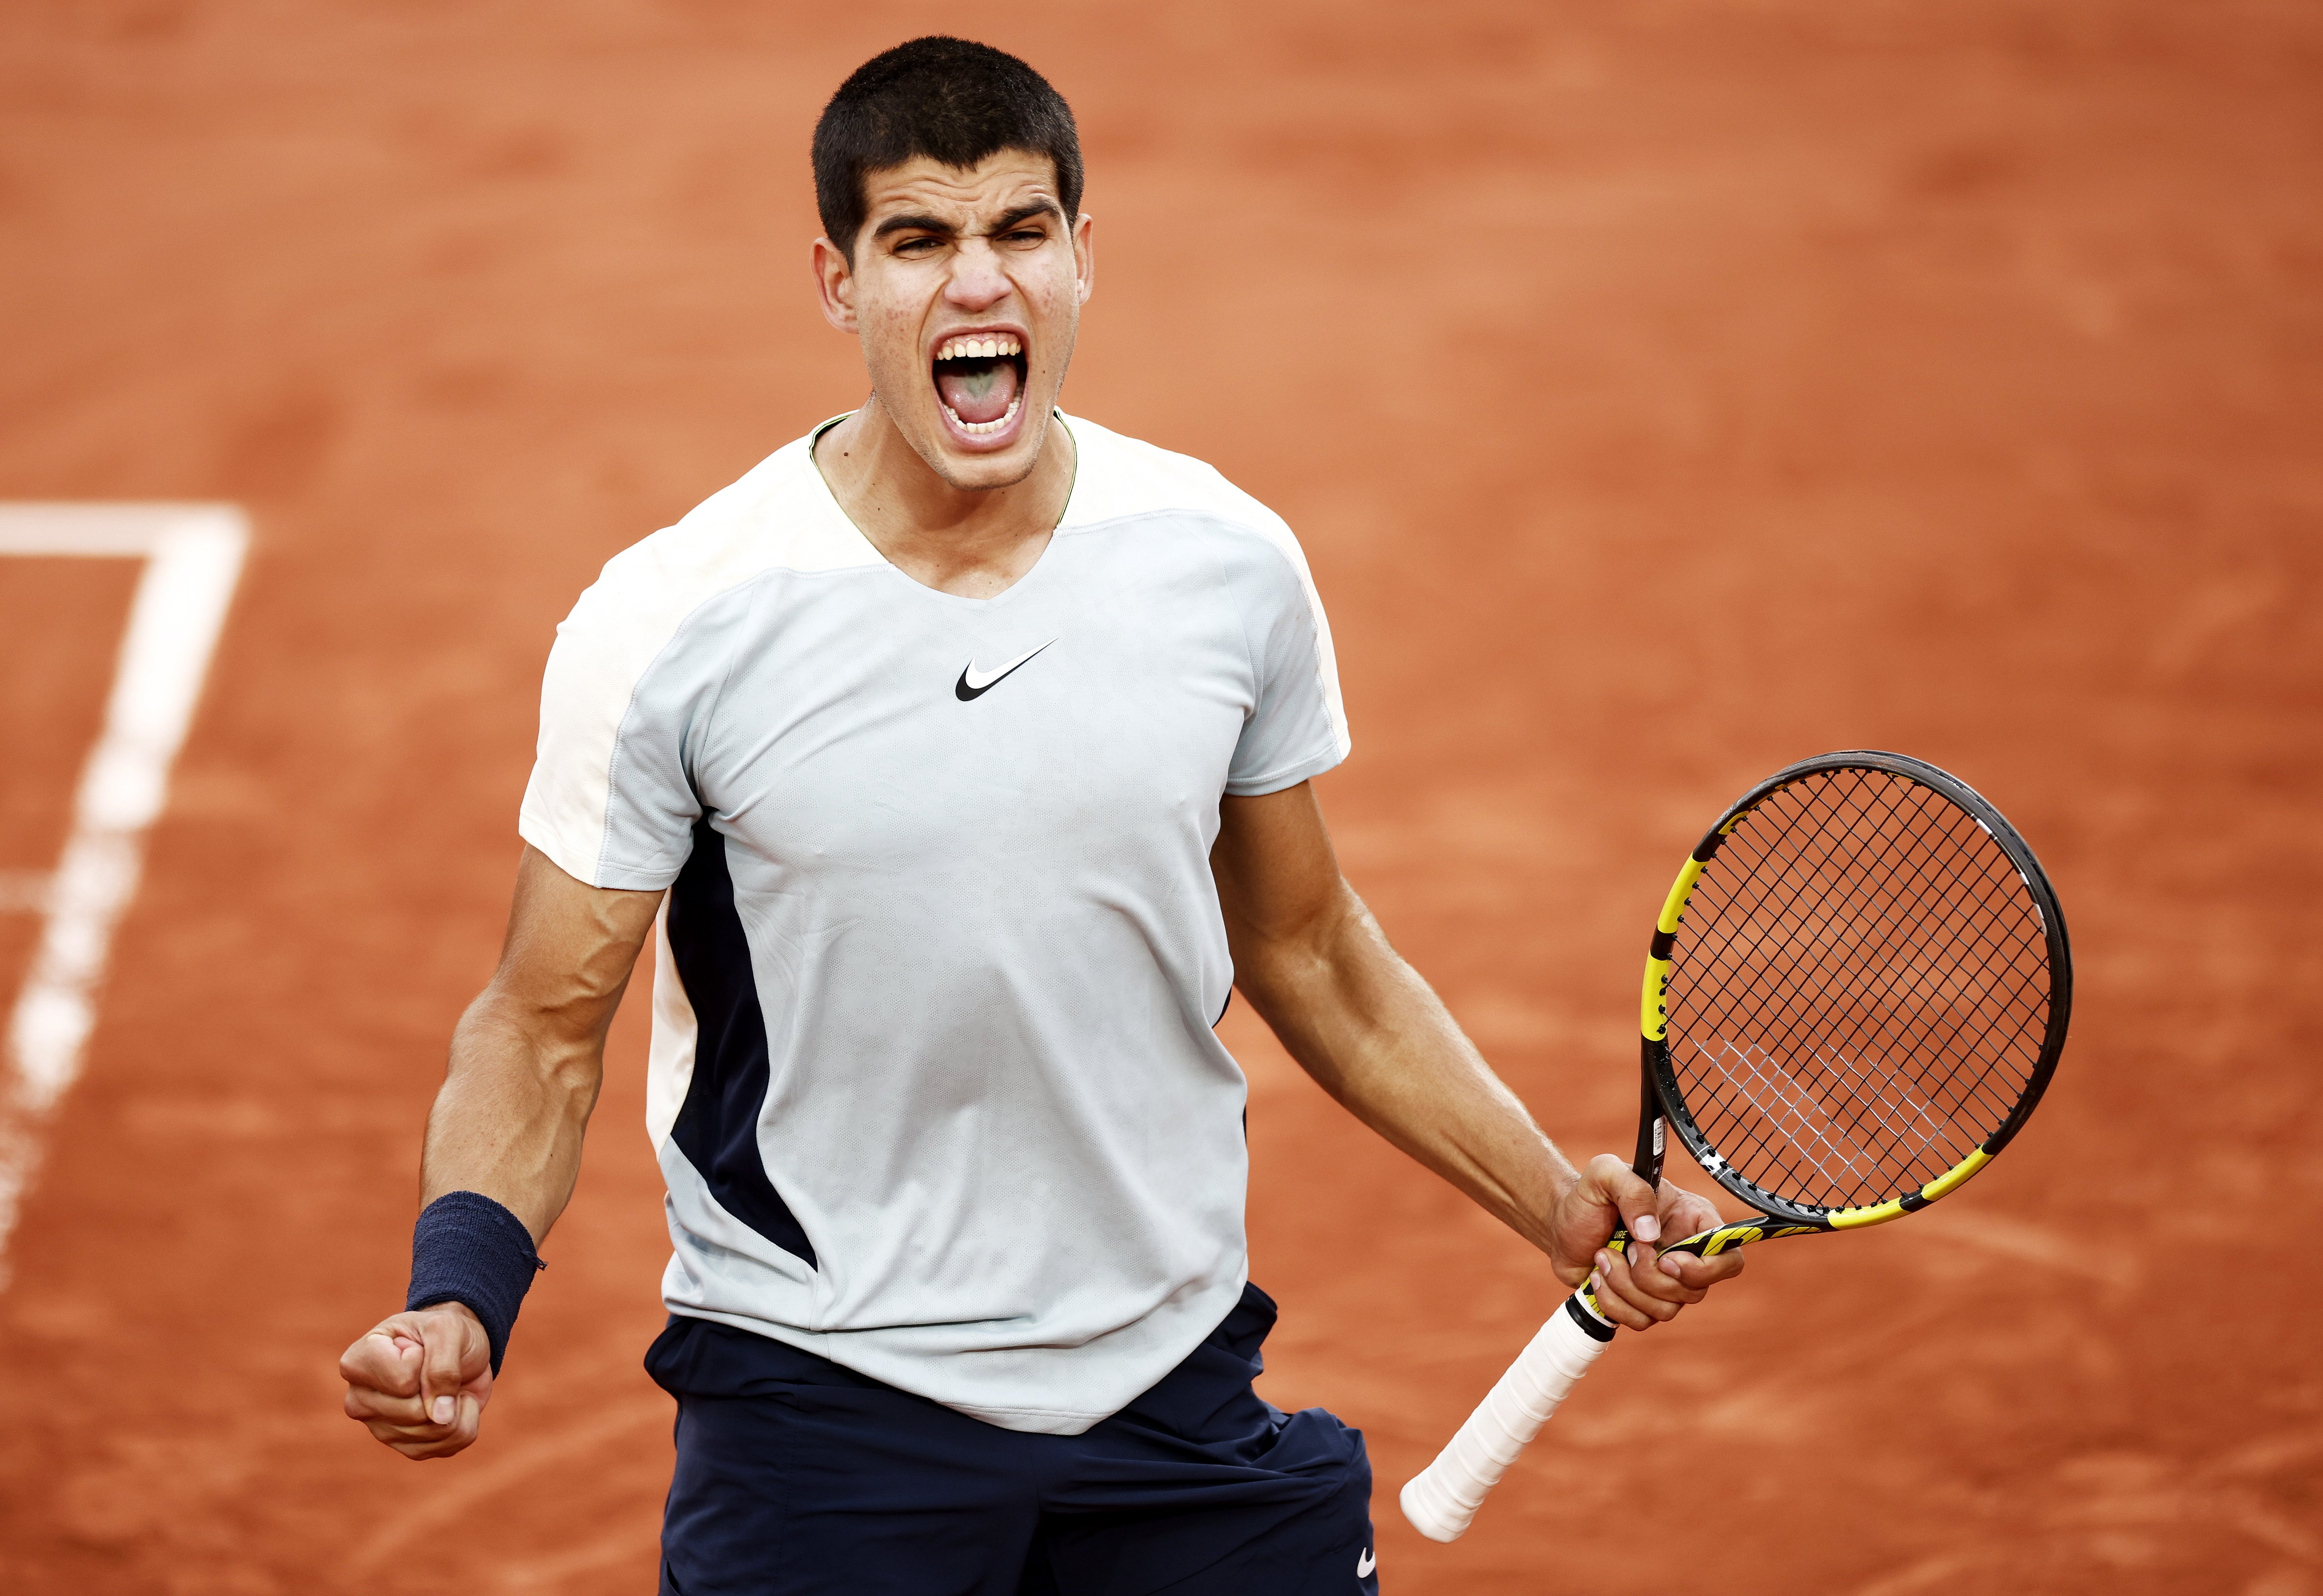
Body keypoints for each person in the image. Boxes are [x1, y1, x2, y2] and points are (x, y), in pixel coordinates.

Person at [337, 36, 1743, 1594]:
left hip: (1171, 1385)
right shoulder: (678, 620)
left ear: (1084, 256)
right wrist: (461, 1289)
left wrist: (1547, 1195)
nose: (974, 284)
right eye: (917, 242)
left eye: (1018, 231)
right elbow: (542, 1021)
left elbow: (1312, 949)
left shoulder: (1222, 566)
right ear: (836, 283)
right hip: (827, 1398)